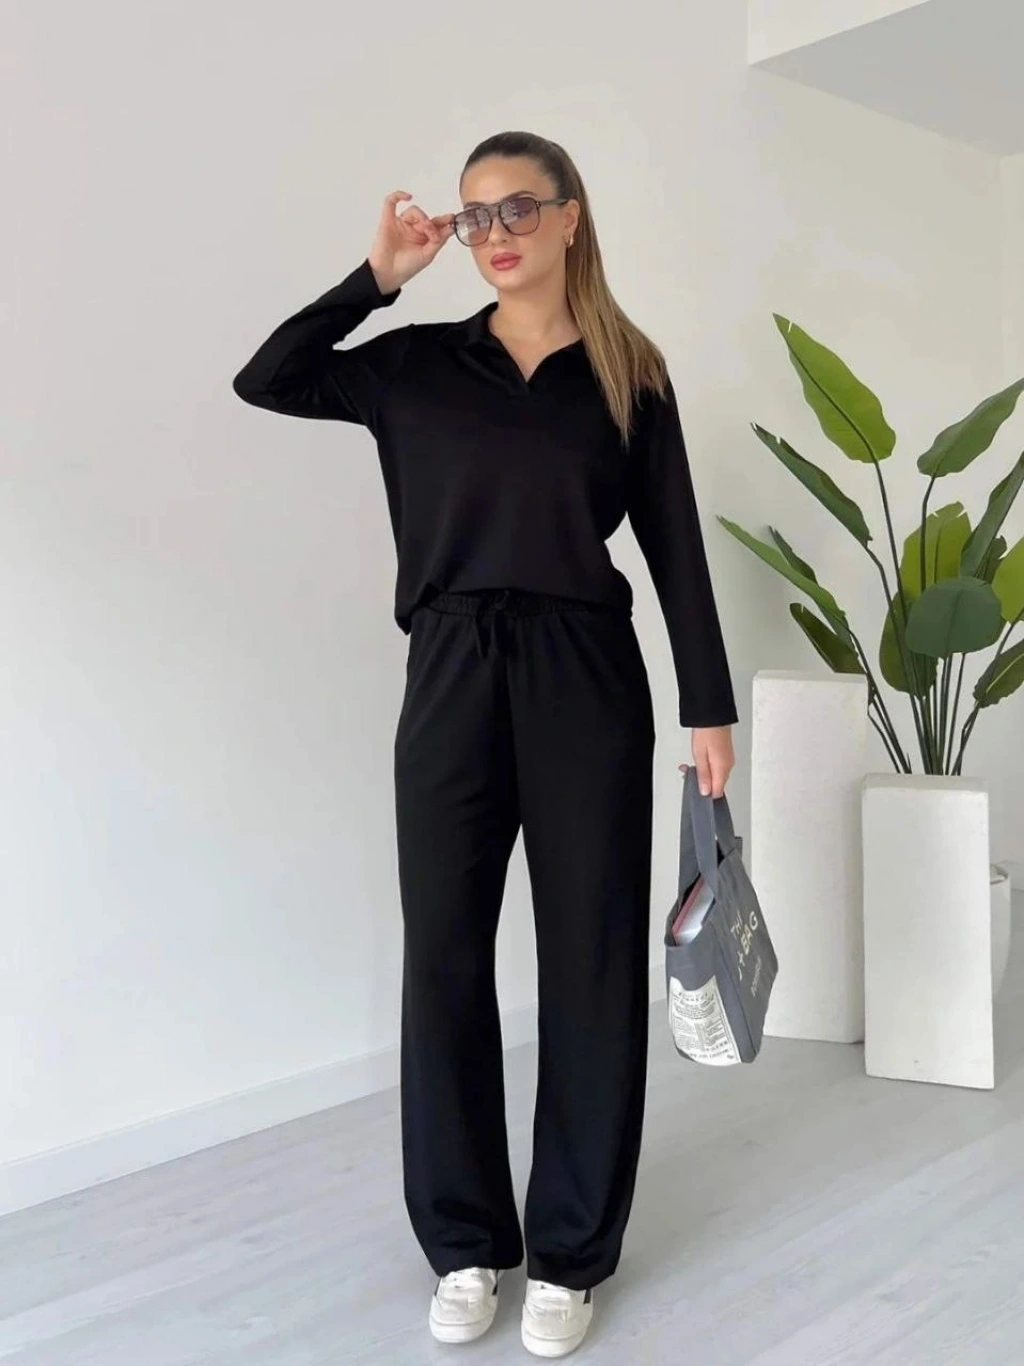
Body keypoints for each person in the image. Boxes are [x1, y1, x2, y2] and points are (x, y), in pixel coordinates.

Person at [232, 129, 737, 1358]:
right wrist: (376, 277)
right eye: (473, 215)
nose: (493, 232)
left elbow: (672, 542)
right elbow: (268, 376)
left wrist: (708, 706)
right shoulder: (412, 364)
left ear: (569, 216)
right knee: (446, 958)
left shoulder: (627, 373)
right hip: (451, 671)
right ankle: (464, 1243)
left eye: (517, 207)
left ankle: (569, 1253)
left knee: (591, 960)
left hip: (584, 676)